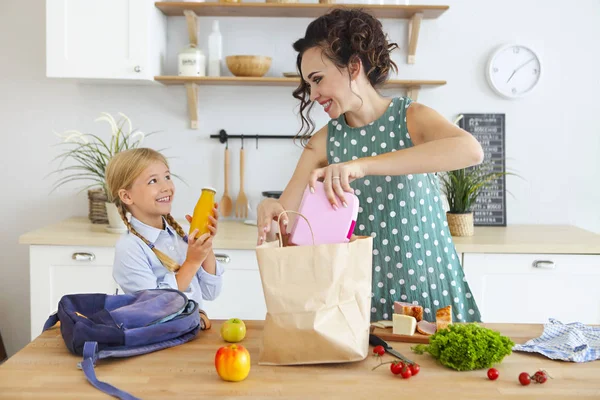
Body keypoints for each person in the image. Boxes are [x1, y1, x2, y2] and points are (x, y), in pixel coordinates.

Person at [256, 9, 483, 323]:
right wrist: (271, 208)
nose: (313, 94)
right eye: (309, 84)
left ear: (353, 66)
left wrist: (360, 166)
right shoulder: (323, 142)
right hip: (357, 299)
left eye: (318, 79)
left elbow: (470, 150)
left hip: (429, 288)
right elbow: (286, 223)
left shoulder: (410, 118)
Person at [105, 148, 223, 329]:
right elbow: (156, 306)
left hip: (192, 334)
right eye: (153, 181)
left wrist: (205, 245)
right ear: (127, 196)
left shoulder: (180, 236)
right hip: (157, 341)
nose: (166, 187)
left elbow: (211, 292)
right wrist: (192, 261)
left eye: (167, 177)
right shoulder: (129, 248)